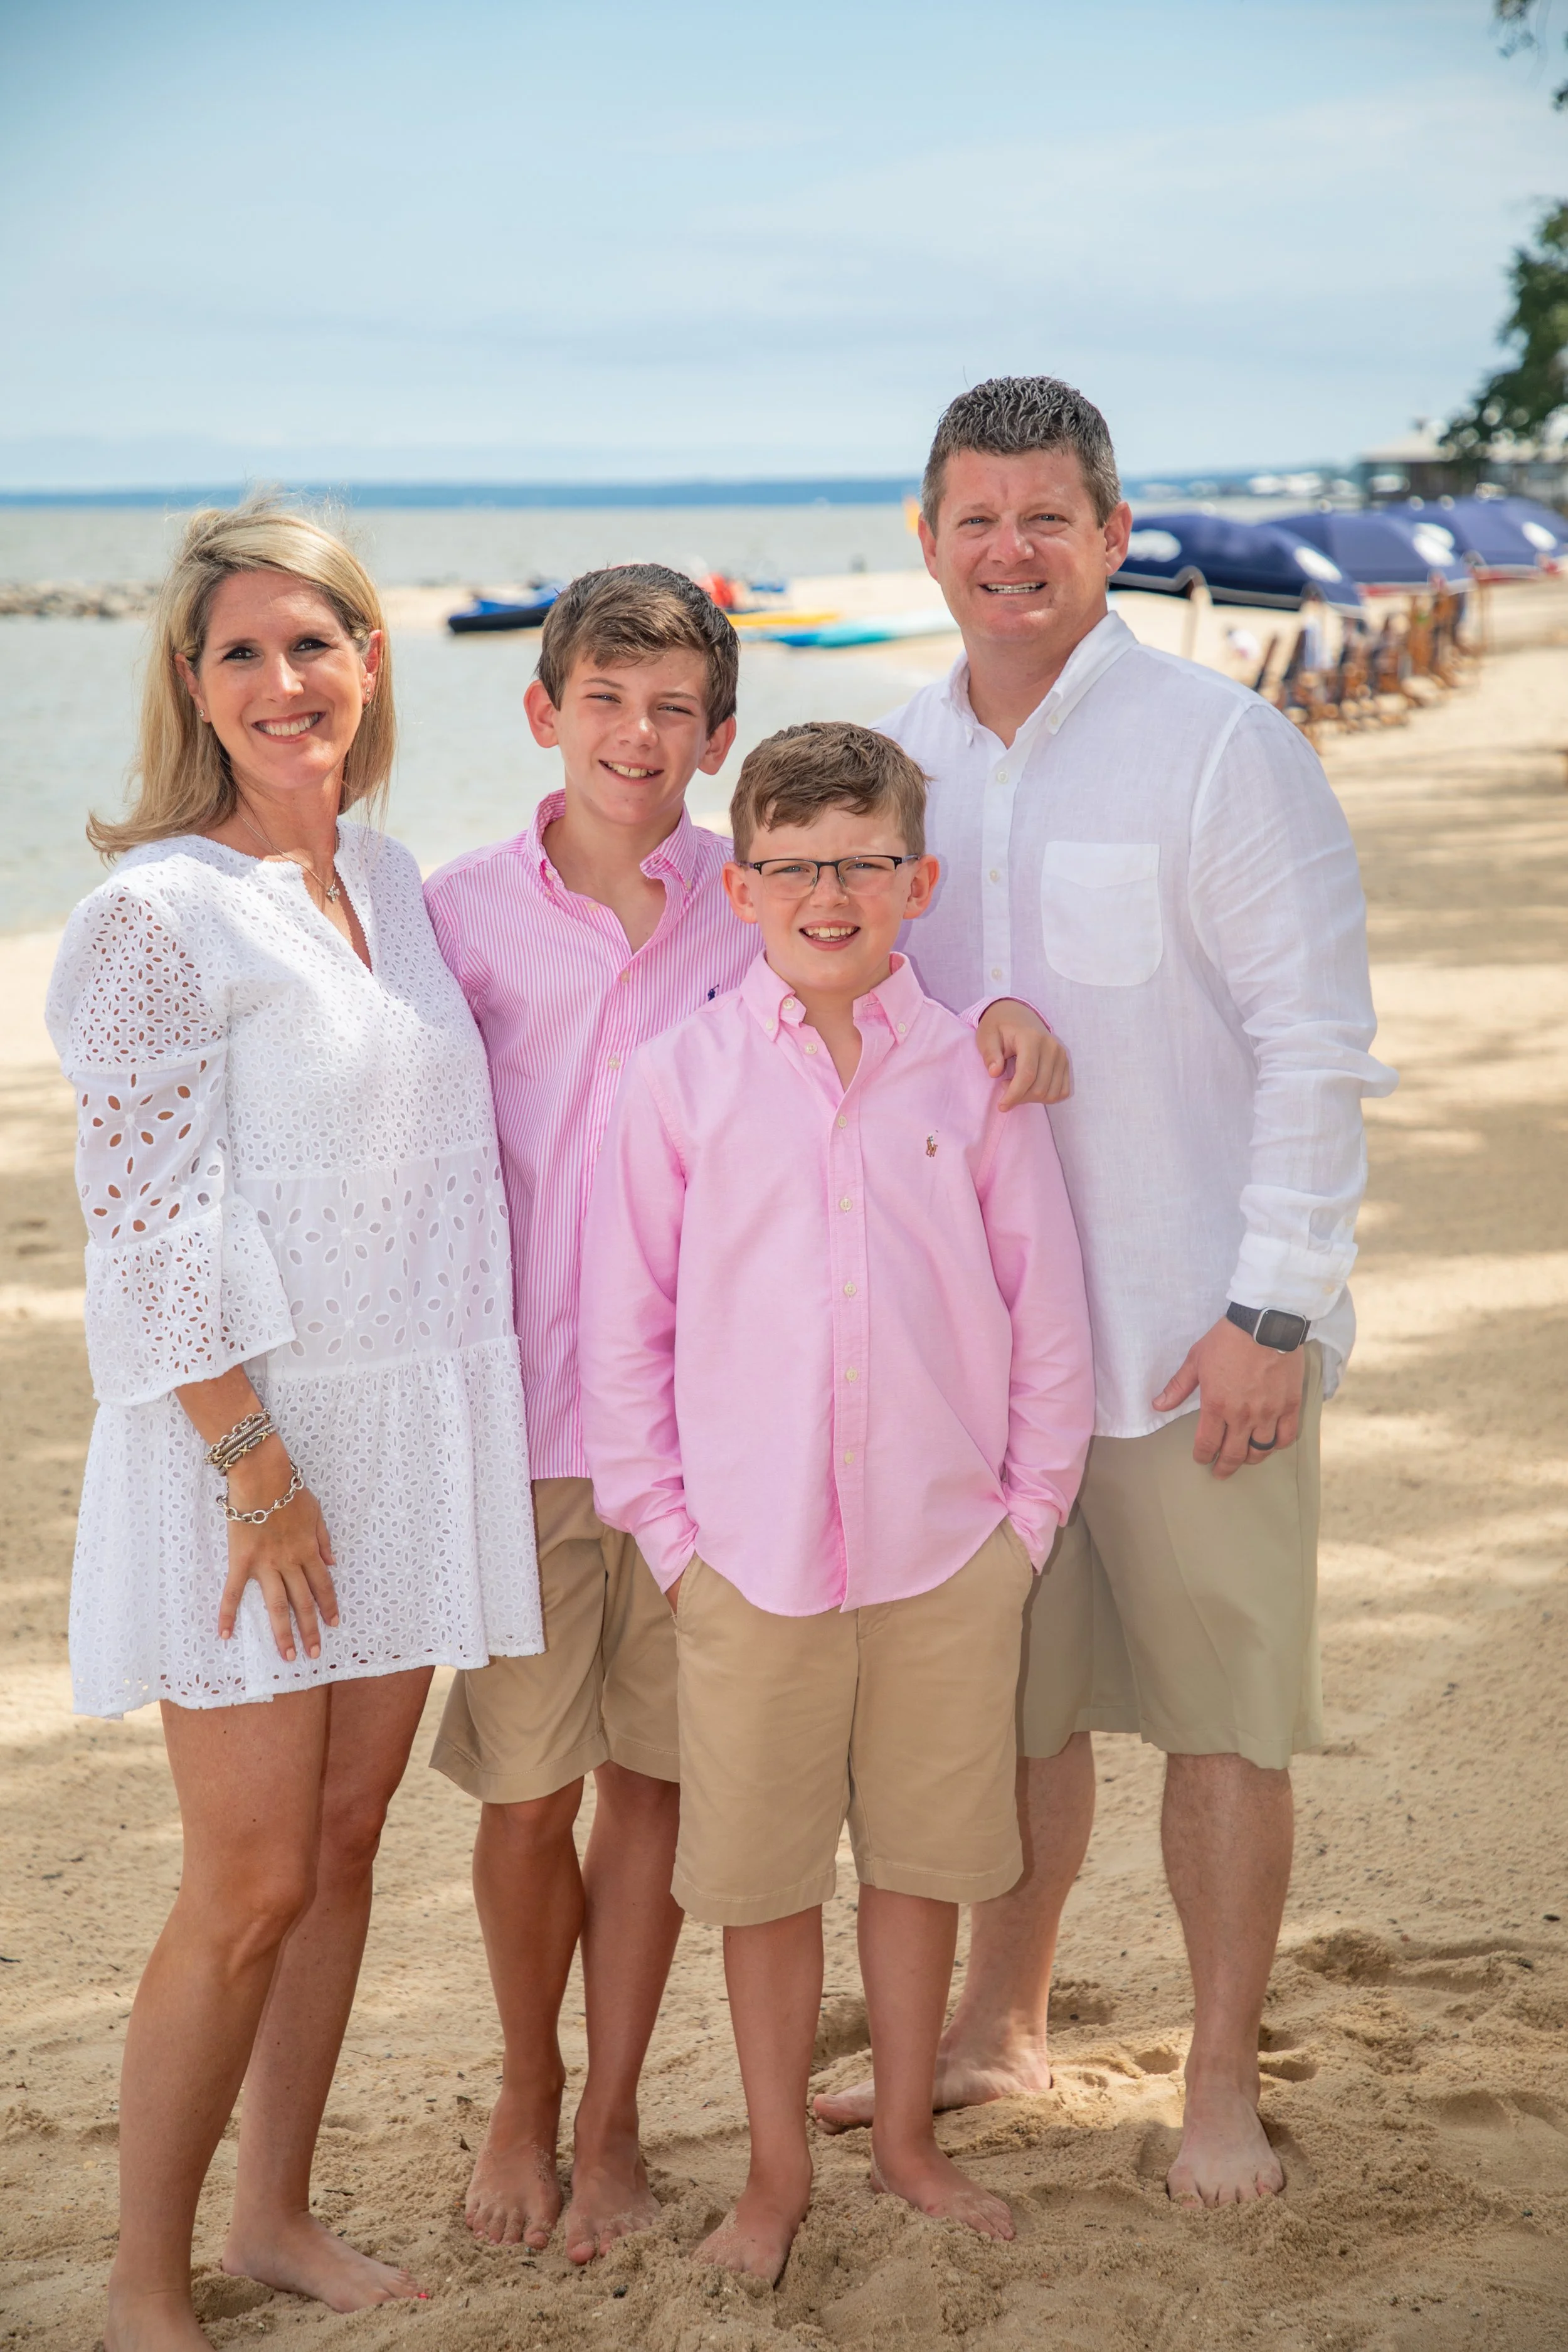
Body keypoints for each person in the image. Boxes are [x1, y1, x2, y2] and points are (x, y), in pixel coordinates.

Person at [423, 566, 1069, 2264]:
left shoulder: (750, 889)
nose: (638, 736)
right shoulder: (455, 914)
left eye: (673, 709)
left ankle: (620, 2114)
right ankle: (523, 2083)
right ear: (543, 709)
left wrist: (1005, 1012)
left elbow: (897, 943)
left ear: (714, 740)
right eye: (604, 699)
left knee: (661, 1793)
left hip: (750, 1476)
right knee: (523, 1793)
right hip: (544, 1427)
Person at [813, 378, 1397, 2206]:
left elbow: (1319, 1045)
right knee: (1015, 1716)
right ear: (923, 538)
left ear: (1111, 536)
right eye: (973, 517)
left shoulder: (1219, 748)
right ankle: (1005, 2018)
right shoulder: (891, 754)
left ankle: (1214, 2078)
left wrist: (1272, 1309)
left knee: (1222, 1719)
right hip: (981, 1363)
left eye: (1045, 516)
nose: (1008, 550)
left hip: (1184, 1330)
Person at [48, 500, 541, 2352]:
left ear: (370, 660)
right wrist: (256, 1464)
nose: (282, 682)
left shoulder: (396, 884)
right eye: (241, 652)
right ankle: (142, 2281)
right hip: (249, 1449)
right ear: (192, 684)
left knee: (342, 1844)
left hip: (410, 1412)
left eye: (311, 644)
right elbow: (148, 1222)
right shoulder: (155, 911)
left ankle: (273, 2216)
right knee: (247, 1875)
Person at [577, 722, 1095, 2285]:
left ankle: (910, 2144)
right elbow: (627, 1329)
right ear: (739, 890)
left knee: (927, 1857)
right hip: (746, 1557)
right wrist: (671, 1533)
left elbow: (1043, 1309)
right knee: (760, 1877)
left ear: (915, 883)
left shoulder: (974, 1071)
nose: (827, 893)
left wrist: (1022, 1523)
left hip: (948, 1551)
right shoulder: (677, 1082)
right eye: (792, 867)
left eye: (860, 864)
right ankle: (775, 2171)